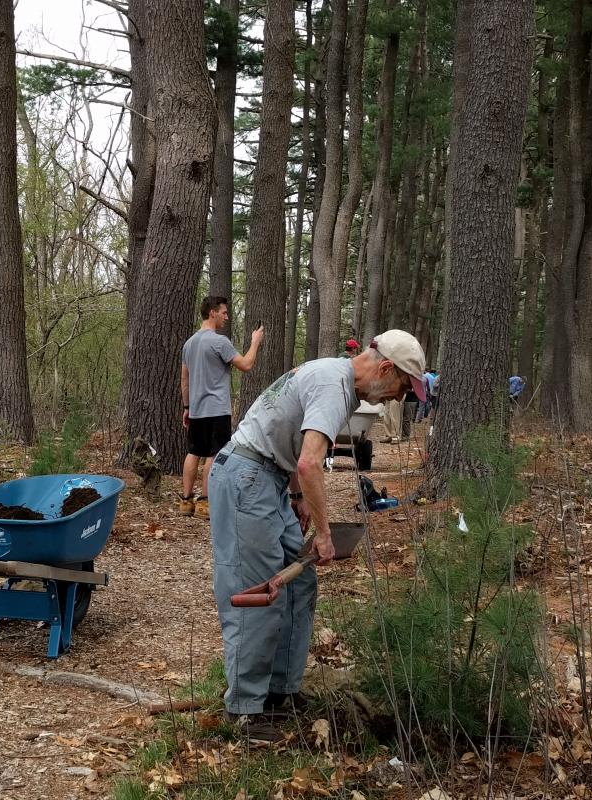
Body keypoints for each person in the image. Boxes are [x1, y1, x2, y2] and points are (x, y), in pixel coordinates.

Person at [207, 330, 427, 739]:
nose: (397, 399)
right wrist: (324, 534)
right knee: (260, 589)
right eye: (400, 388)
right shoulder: (333, 385)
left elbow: (286, 435)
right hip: (245, 479)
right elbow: (310, 463)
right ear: (384, 368)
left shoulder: (333, 377)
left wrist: (296, 496)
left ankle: (280, 691)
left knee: (300, 581)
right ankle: (245, 709)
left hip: (269, 477)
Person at [179, 296, 264, 519]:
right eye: (224, 313)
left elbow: (184, 380)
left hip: (197, 409)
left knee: (193, 452)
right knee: (214, 455)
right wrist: (255, 342)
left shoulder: (189, 343)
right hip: (217, 409)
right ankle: (205, 503)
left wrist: (187, 407)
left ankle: (186, 501)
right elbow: (245, 365)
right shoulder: (219, 342)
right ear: (212, 313)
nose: (226, 317)